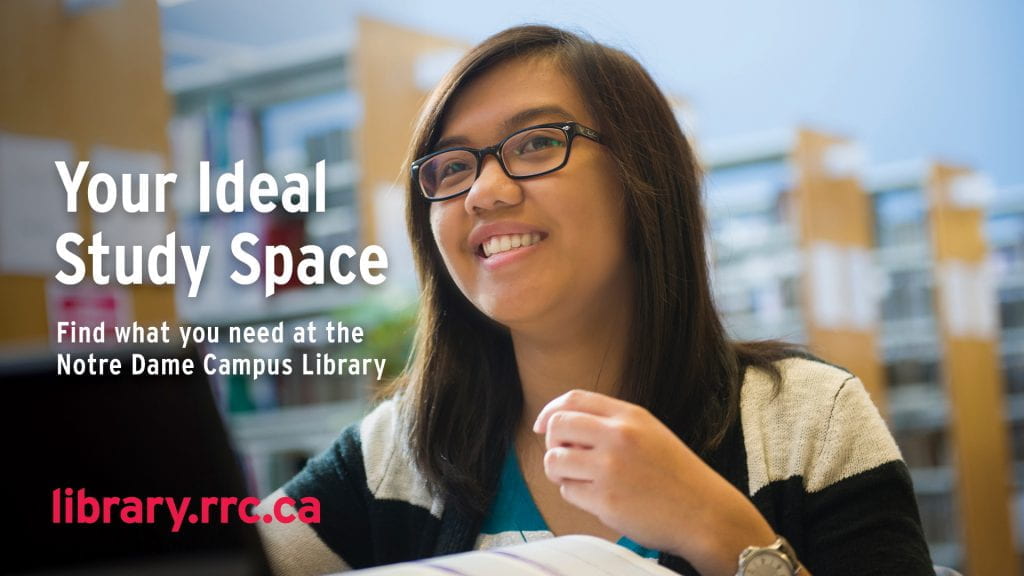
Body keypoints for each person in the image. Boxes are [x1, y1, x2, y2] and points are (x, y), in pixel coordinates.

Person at [256, 25, 934, 576]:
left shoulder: (809, 421)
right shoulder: (396, 451)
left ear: (641, 179)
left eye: (537, 143)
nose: (484, 191)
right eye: (453, 167)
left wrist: (722, 535)